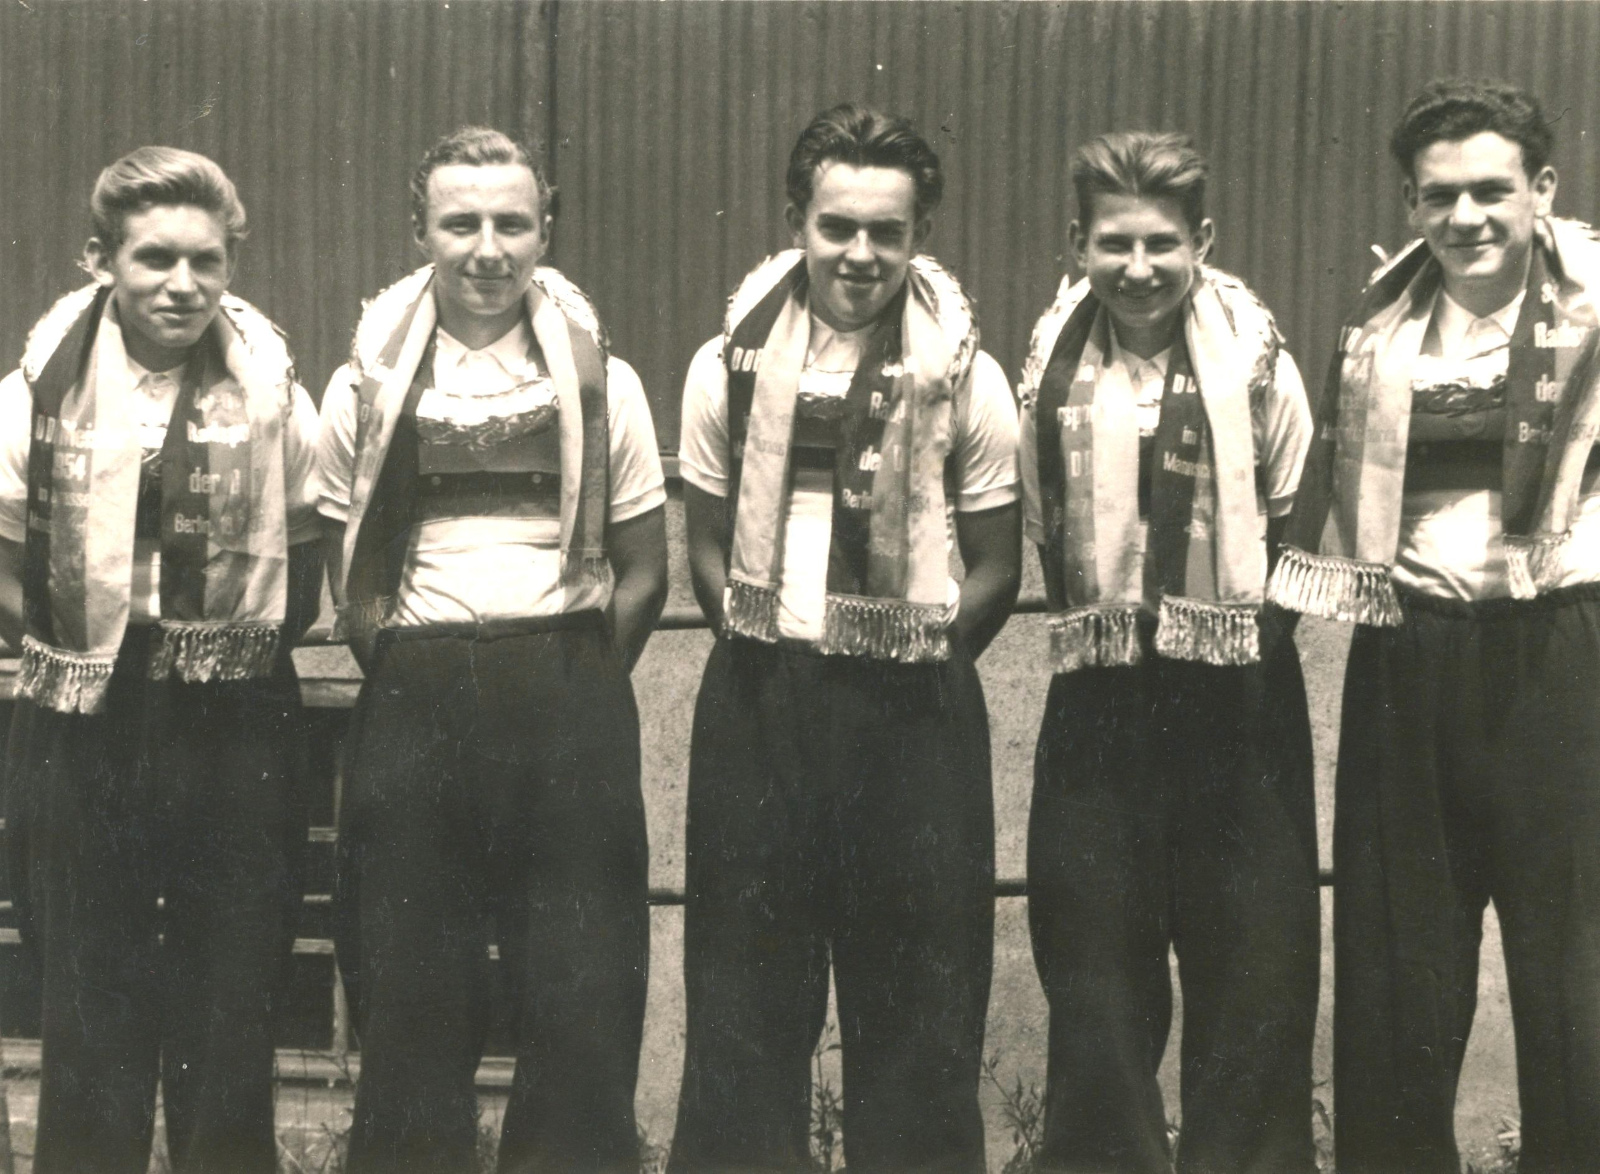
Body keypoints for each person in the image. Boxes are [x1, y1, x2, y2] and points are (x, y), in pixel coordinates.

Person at [668, 102, 1021, 1173]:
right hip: (764, 702)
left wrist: (916, 664)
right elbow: (707, 541)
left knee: (917, 1008)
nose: (859, 254)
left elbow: (999, 564)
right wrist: (775, 650)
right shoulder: (723, 364)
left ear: (920, 240)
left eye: (887, 231)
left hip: (913, 710)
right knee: (742, 1002)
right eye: (836, 226)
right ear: (796, 223)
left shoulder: (966, 372)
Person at [316, 125, 668, 1173]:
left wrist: (580, 676)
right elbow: (349, 570)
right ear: (418, 228)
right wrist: (420, 670)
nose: (486, 248)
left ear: (544, 228)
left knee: (580, 981)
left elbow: (644, 568)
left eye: (511, 222)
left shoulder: (608, 383)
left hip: (565, 687)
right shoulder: (365, 389)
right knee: (412, 980)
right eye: (459, 221)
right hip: (418, 690)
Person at [1268, 79, 1600, 1173]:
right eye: (1437, 196)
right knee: (1398, 963)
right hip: (1409, 654)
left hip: (1562, 652)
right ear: (1411, 205)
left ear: (1541, 190)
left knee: (1575, 969)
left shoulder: (1595, 312)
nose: (1465, 218)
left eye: (1490, 191)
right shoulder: (1379, 330)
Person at [0, 146, 323, 1174]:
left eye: (207, 259)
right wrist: (89, 646)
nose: (182, 284)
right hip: (80, 702)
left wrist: (214, 637)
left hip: (233, 706)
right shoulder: (30, 396)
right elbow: (5, 569)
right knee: (89, 988)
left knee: (229, 988)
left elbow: (305, 566)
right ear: (102, 258)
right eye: (154, 258)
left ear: (231, 265)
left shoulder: (276, 393)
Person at [1017, 131, 1319, 1173]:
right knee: (1096, 973)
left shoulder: (1260, 363)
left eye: (1160, 243)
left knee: (1254, 976)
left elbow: (1296, 526)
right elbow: (1037, 523)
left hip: (1236, 696)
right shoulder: (1043, 370)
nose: (1136, 268)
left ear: (1203, 241)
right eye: (1113, 243)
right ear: (1076, 244)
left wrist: (1228, 645)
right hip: (1098, 693)